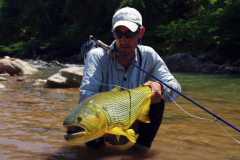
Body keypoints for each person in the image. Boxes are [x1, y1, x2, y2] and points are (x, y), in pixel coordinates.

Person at [78, 7, 181, 150]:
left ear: (141, 32)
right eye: (118, 34)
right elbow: (86, 96)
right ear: (113, 33)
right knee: (79, 123)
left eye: (130, 34)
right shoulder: (97, 56)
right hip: (103, 126)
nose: (123, 40)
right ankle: (96, 150)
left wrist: (160, 87)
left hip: (135, 122)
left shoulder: (149, 55)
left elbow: (175, 88)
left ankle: (140, 151)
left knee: (158, 97)